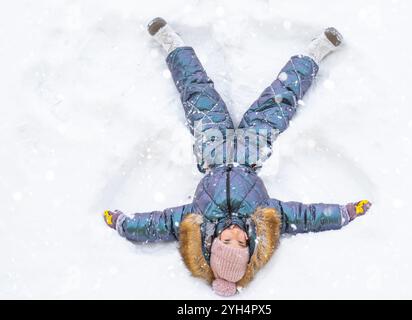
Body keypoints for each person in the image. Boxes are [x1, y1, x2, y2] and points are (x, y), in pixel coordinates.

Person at [103, 17, 372, 297]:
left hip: (212, 149)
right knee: (279, 100)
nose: (236, 234)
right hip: (251, 151)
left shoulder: (195, 220)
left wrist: (124, 224)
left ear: (213, 242)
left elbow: (154, 224)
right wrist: (344, 213)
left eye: (227, 240)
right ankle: (316, 52)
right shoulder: (265, 218)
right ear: (250, 245)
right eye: (242, 243)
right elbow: (306, 217)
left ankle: (170, 43)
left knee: (197, 92)